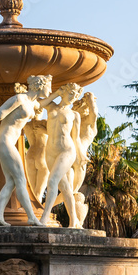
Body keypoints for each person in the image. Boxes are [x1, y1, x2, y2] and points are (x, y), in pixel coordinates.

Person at [0, 75, 52, 226]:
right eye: (49, 86)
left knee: (11, 182)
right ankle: (31, 217)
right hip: (2, 141)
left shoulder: (32, 103)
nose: (50, 90)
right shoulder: (19, 99)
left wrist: (60, 94)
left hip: (8, 143)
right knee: (21, 180)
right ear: (39, 85)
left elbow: (41, 105)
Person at [39, 83, 84, 228]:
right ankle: (74, 220)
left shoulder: (74, 115)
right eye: (71, 93)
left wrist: (81, 154)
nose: (73, 98)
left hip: (67, 150)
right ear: (64, 92)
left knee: (51, 181)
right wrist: (57, 92)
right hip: (50, 151)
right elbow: (39, 104)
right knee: (65, 188)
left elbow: (76, 138)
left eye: (76, 95)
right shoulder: (51, 106)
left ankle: (44, 218)